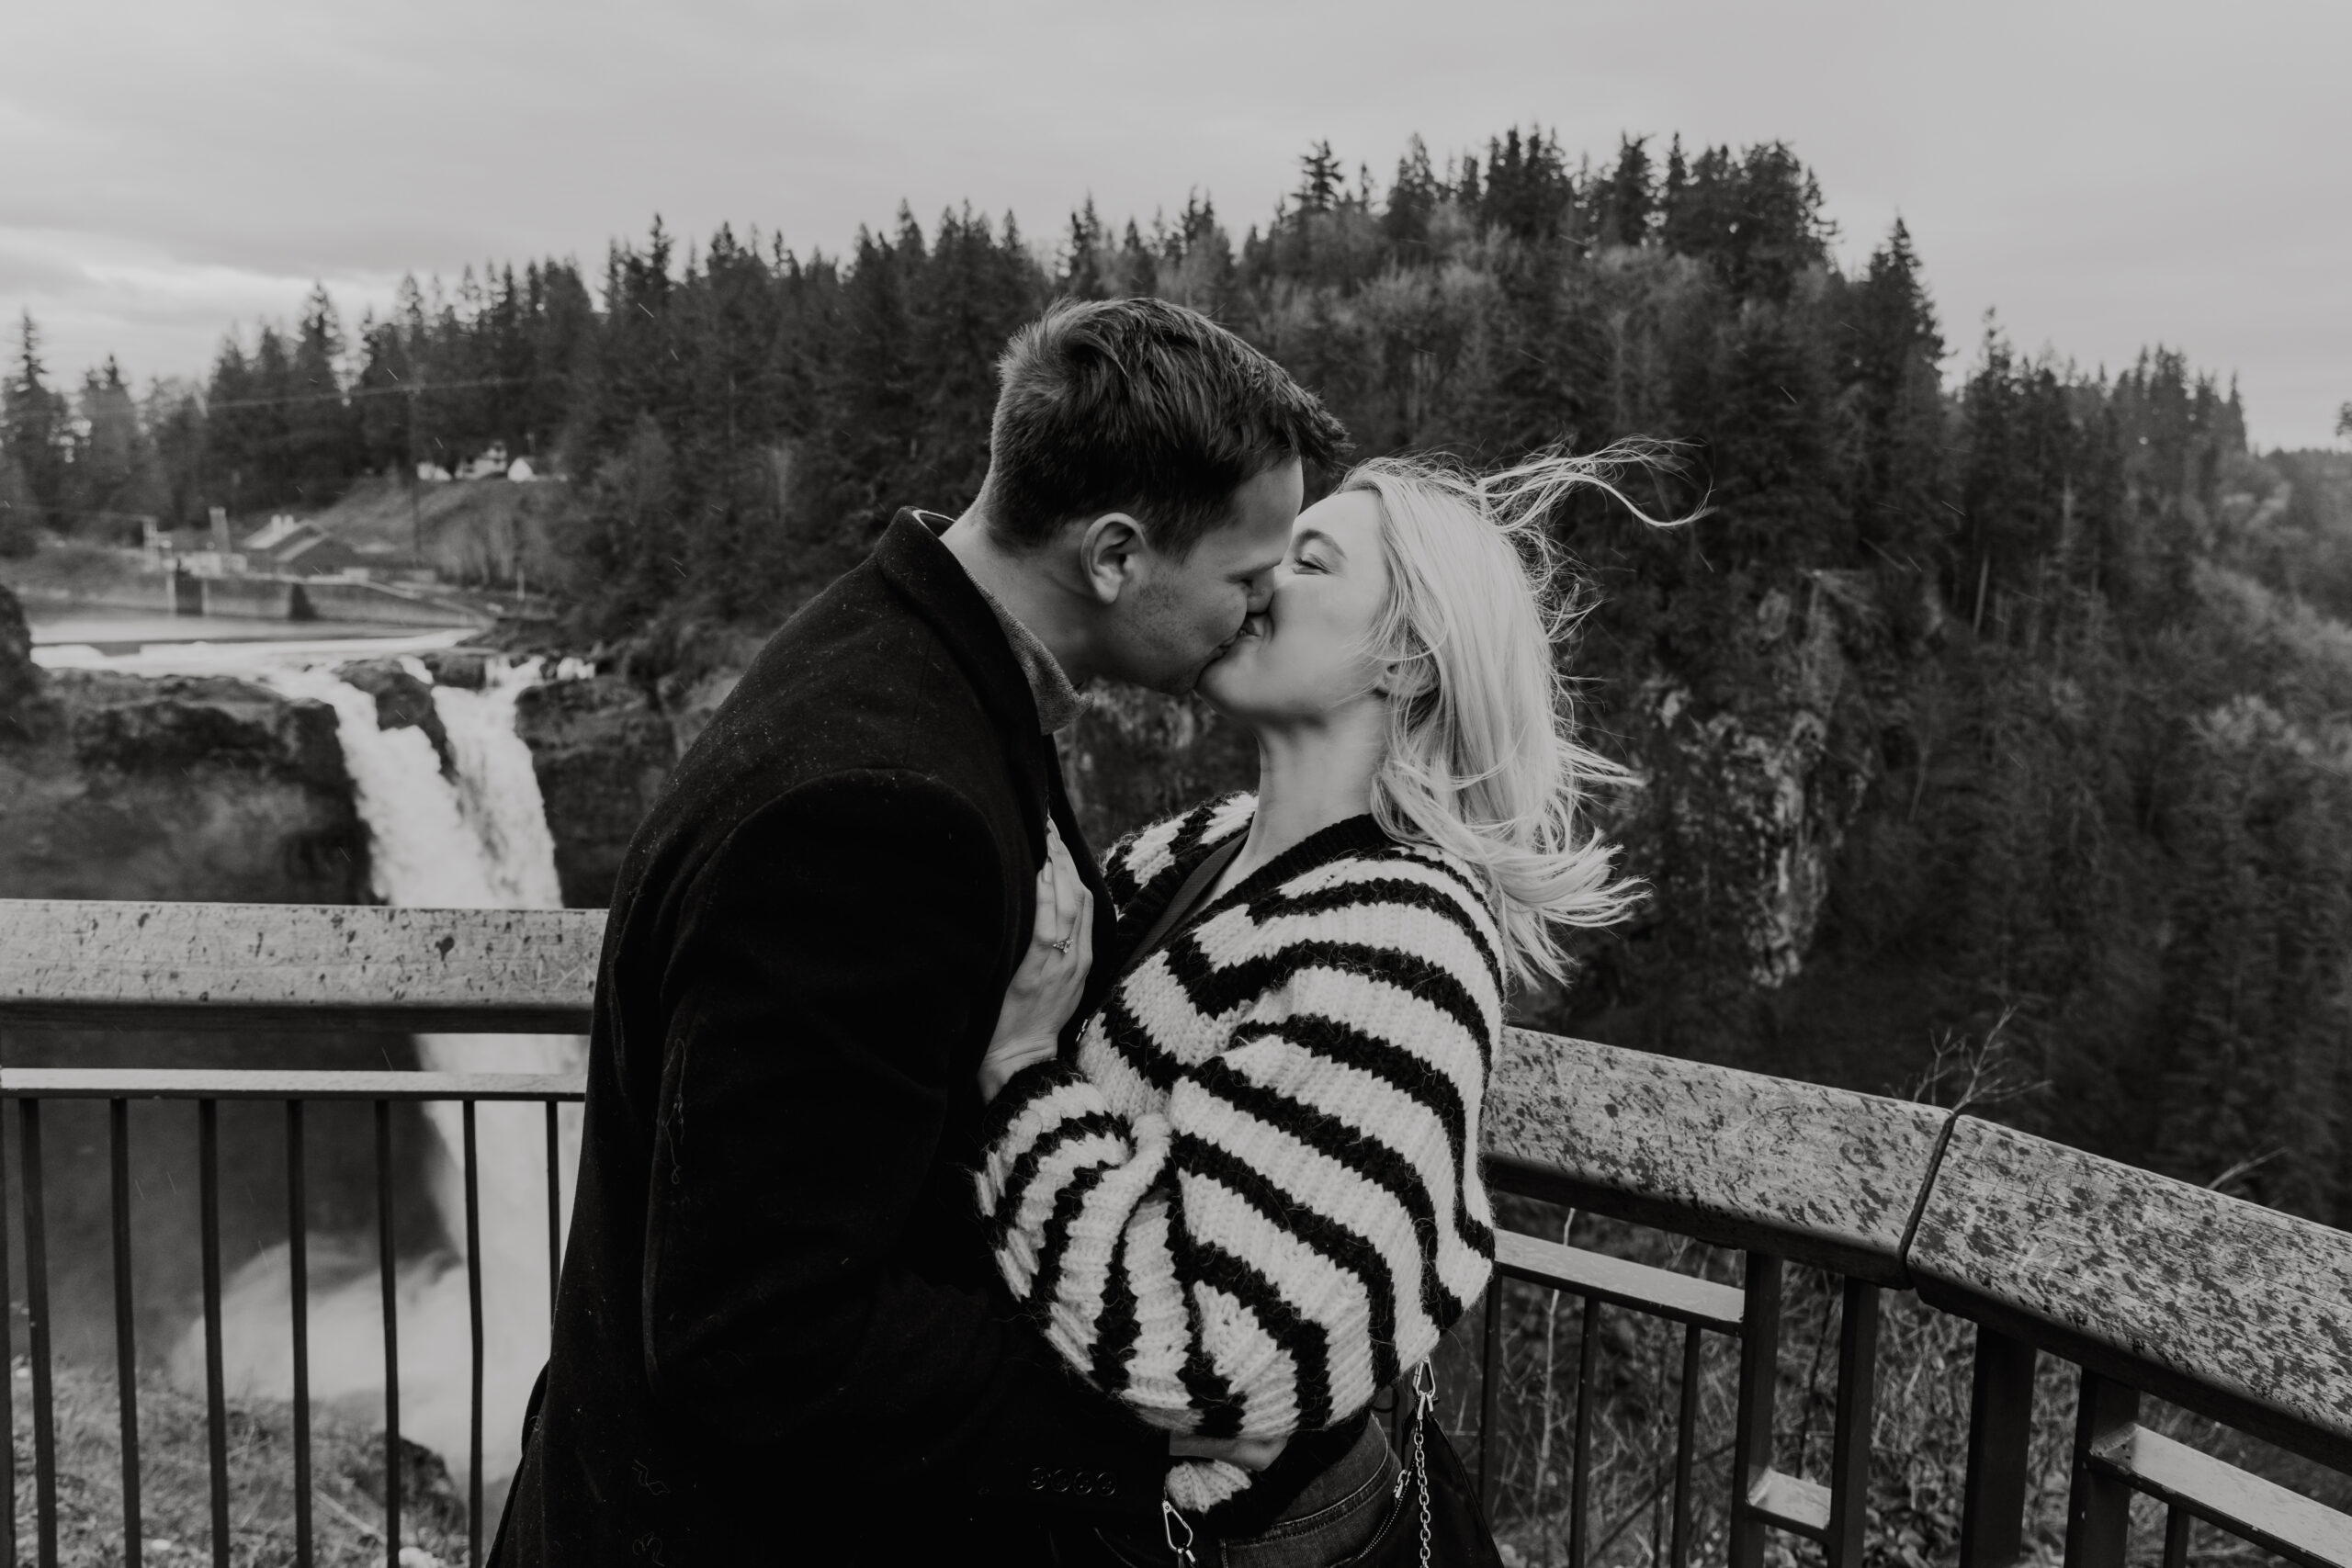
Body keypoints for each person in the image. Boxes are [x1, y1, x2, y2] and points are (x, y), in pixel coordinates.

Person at [489, 295, 1348, 1566]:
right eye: (1244, 572)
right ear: (1115, 554)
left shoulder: (896, 655)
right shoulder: (877, 811)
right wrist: (1144, 1421)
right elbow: (759, 1332)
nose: (1260, 607)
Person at [976, 446, 1665, 1564]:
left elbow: (1216, 1359)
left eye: (1309, 559)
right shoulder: (1179, 856)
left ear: (1402, 658)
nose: (1256, 572)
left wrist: (1018, 1074)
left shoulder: (1401, 945)